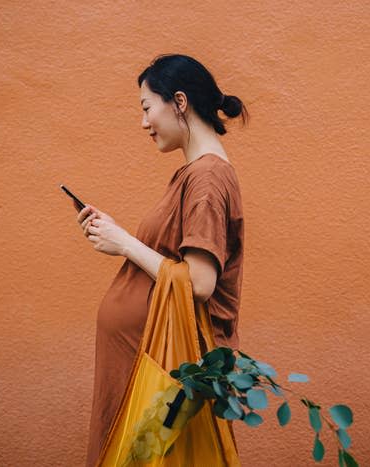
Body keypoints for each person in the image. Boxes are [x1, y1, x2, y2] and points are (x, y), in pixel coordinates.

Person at [79, 54, 248, 467]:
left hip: (164, 368)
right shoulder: (195, 174)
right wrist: (117, 234)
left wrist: (123, 243)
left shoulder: (206, 178)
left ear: (179, 101)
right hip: (152, 362)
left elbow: (200, 283)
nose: (144, 122)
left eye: (146, 108)